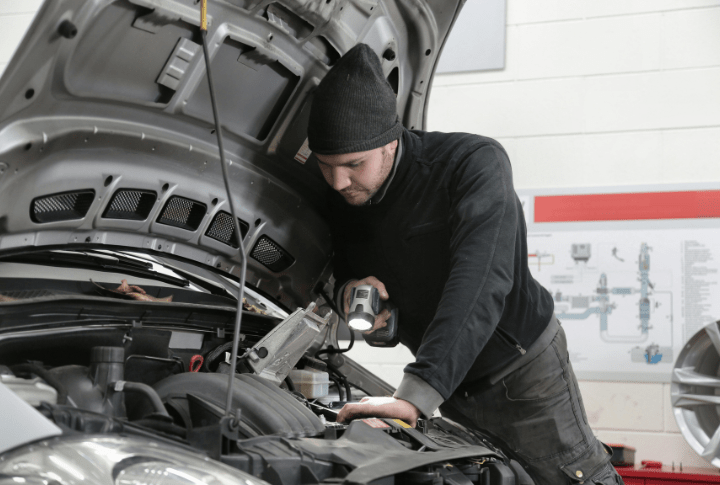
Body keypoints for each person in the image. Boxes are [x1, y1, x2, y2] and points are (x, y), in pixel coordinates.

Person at [307, 43, 623, 485]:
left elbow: (480, 282)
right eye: (326, 166)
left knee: (572, 478)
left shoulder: (471, 165)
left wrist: (416, 394)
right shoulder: (342, 195)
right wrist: (348, 294)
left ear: (390, 141)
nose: (339, 182)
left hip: (523, 374)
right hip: (450, 384)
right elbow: (339, 265)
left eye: (353, 165)